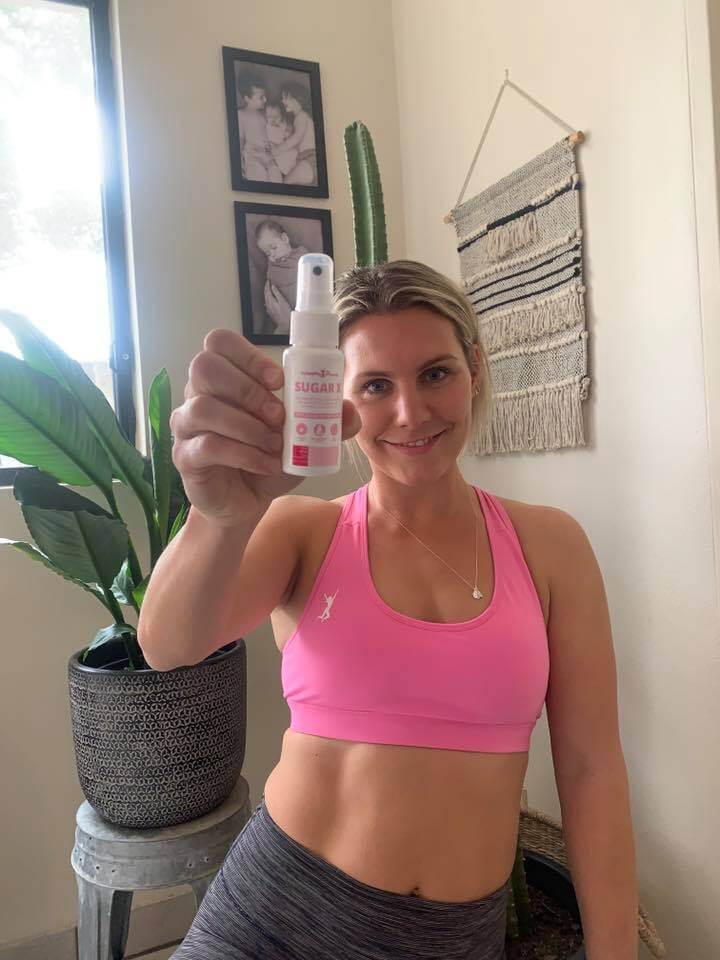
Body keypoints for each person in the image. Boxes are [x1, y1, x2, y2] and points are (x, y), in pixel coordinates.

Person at [142, 260, 638, 959]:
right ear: (339, 399)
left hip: (450, 941)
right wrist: (217, 520)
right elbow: (167, 645)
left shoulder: (551, 546)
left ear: (474, 369)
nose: (410, 412)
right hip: (274, 916)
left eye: (435, 373)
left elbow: (591, 770)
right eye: (376, 385)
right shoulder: (304, 532)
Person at [254, 219, 307, 334]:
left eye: (274, 247)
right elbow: (270, 284)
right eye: (267, 253)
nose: (272, 255)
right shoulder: (273, 267)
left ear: (285, 239)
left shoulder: (302, 254)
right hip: (282, 305)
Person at [236, 75, 282, 182]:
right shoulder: (241, 114)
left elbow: (273, 132)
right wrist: (240, 163)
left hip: (269, 155)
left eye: (265, 96)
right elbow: (240, 140)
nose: (265, 100)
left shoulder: (265, 114)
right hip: (253, 156)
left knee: (276, 176)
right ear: (247, 98)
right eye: (261, 97)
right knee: (259, 177)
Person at [275, 80, 317, 185]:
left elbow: (296, 138)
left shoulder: (301, 116)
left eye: (285, 97)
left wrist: (277, 150)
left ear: (297, 98)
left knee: (286, 183)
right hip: (305, 159)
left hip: (310, 158)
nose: (282, 101)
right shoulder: (299, 118)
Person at [264, 101, 298, 176]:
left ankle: (292, 170)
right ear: (265, 116)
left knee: (293, 152)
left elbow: (289, 129)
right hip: (275, 149)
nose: (273, 119)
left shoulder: (282, 124)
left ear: (282, 116)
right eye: (269, 116)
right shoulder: (267, 127)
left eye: (276, 116)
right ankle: (286, 171)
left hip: (285, 146)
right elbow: (267, 140)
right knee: (281, 159)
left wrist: (288, 131)